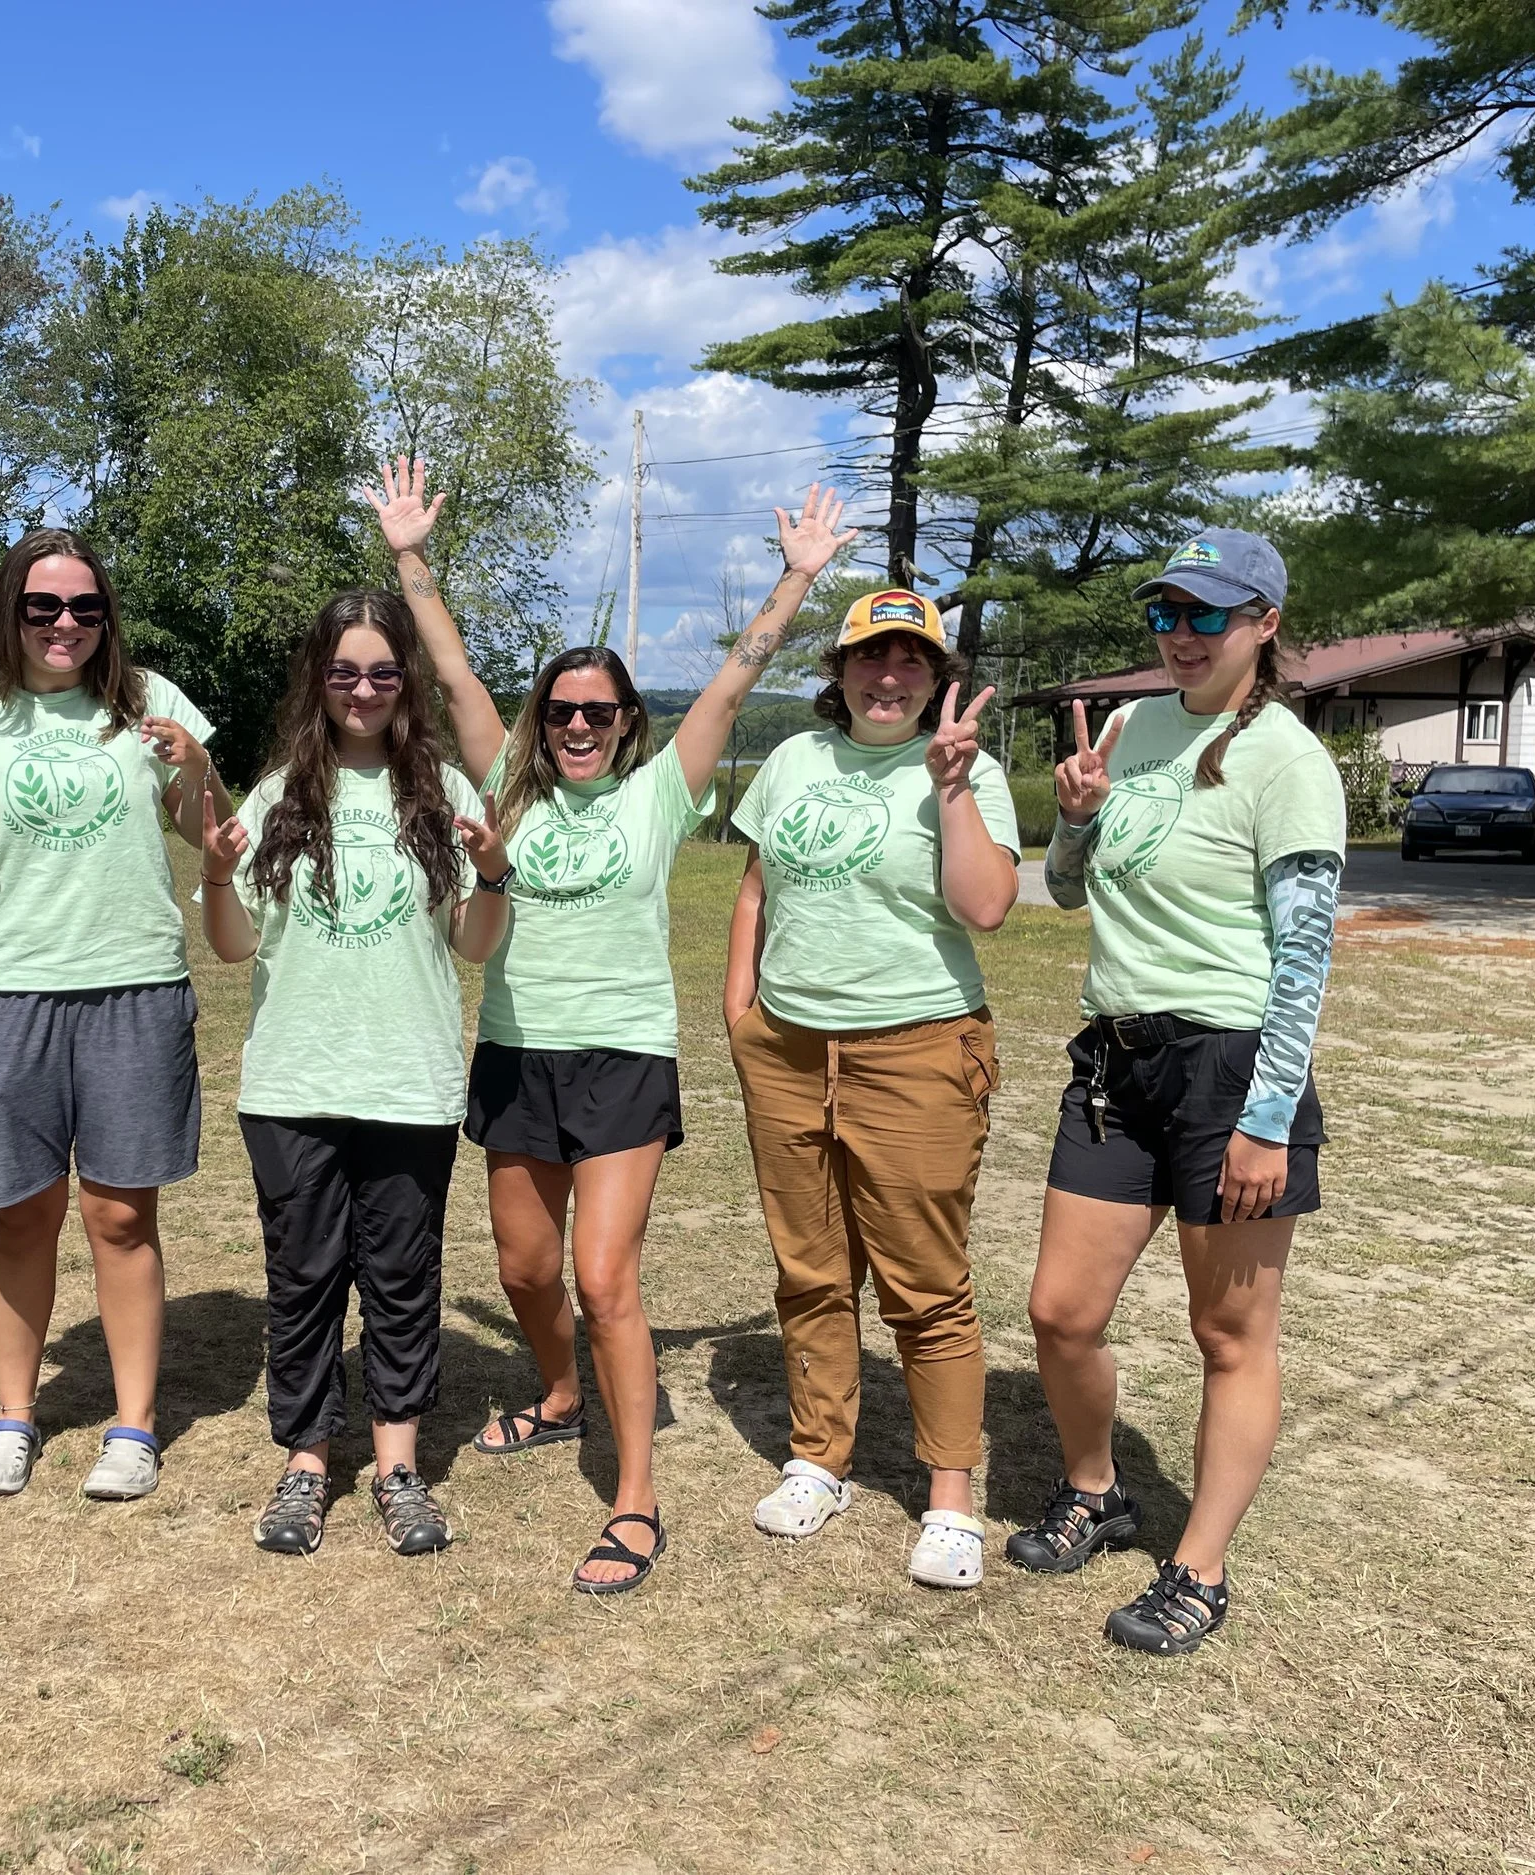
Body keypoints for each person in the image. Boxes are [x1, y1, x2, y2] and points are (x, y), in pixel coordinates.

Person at [370, 456, 859, 1594]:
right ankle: (555, 1394)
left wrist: (793, 585)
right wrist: (409, 557)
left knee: (604, 1280)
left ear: (628, 721)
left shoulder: (660, 793)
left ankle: (636, 1498)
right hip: (515, 1054)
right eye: (563, 710)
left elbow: (734, 686)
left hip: (623, 1055)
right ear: (543, 722)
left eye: (599, 711)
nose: (578, 725)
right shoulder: (507, 782)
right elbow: (448, 672)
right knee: (525, 1269)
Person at [1013, 527, 1345, 1658]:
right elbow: (1064, 893)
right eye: (1166, 613)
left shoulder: (1289, 763)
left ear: (1264, 625)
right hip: (1116, 1060)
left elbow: (1303, 959)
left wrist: (1263, 1121)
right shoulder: (1128, 727)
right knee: (1060, 1311)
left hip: (1230, 1065)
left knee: (1228, 1334)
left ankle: (1198, 1568)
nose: (1181, 636)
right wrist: (1070, 815)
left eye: (1209, 615)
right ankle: (1096, 1491)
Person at [0, 529, 222, 1505]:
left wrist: (197, 766)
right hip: (3, 992)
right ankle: (13, 1420)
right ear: (9, 613)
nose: (64, 625)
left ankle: (133, 1429)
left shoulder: (150, 703)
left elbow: (209, 831)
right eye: (42, 607)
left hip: (132, 989)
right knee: (21, 1217)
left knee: (120, 1214)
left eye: (84, 608)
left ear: (106, 618)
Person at [198, 590, 511, 1559]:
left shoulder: (449, 794)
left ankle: (398, 1467)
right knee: (303, 1283)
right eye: (344, 672)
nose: (363, 689)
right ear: (318, 680)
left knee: (402, 1281)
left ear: (403, 682)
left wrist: (494, 875)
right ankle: (304, 1466)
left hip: (407, 1082)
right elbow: (232, 945)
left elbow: (472, 945)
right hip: (293, 1084)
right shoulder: (281, 795)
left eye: (381, 672)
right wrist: (214, 877)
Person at [722, 589, 1021, 1590]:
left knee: (923, 1283)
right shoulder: (795, 761)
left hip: (918, 1049)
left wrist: (950, 791)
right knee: (810, 1269)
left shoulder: (968, 770)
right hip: (790, 1047)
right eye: (869, 658)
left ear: (936, 678)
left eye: (909, 662)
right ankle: (819, 1458)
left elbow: (986, 908)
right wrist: (741, 1013)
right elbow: (756, 887)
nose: (886, 678)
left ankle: (948, 1501)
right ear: (839, 670)